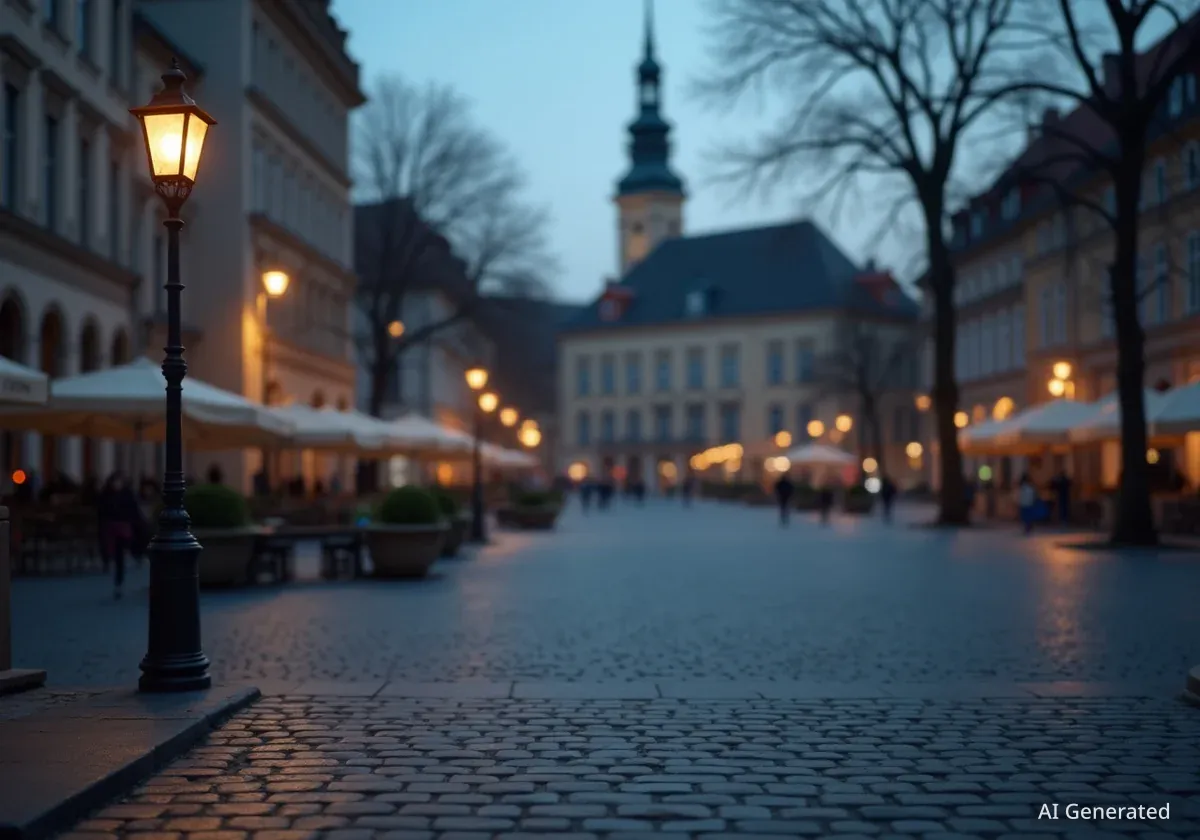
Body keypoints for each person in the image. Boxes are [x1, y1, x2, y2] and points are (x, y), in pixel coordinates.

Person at [98, 471, 144, 599]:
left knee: (121, 554)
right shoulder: (106, 495)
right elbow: (101, 512)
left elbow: (134, 511)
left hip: (123, 528)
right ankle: (115, 574)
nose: (117, 484)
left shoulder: (126, 494)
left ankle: (119, 579)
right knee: (116, 554)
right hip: (111, 529)